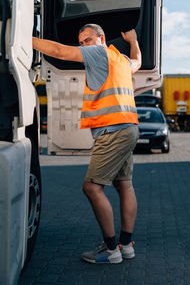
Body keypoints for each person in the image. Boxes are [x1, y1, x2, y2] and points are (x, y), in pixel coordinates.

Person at [32, 23, 141, 264]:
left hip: (112, 131)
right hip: (128, 128)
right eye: (81, 42)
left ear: (101, 39)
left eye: (88, 40)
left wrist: (21, 38)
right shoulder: (120, 59)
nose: (84, 46)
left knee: (92, 188)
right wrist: (133, 41)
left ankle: (111, 250)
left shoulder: (99, 52)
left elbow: (60, 52)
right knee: (125, 185)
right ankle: (126, 245)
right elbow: (139, 62)